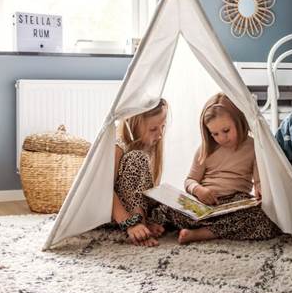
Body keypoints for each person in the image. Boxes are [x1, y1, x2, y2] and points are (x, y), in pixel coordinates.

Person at [166, 93, 281, 245]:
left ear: (239, 121)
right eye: (214, 134)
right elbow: (190, 180)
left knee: (265, 220)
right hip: (204, 203)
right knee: (163, 208)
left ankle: (202, 233)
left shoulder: (253, 147)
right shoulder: (205, 149)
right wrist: (198, 190)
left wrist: (260, 190)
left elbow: (259, 181)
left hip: (235, 202)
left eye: (226, 131)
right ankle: (166, 225)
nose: (221, 138)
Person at [112, 99, 168, 247]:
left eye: (163, 126)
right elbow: (104, 190)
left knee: (168, 204)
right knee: (137, 158)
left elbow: (143, 191)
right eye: (153, 129)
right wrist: (132, 224)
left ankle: (146, 222)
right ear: (133, 123)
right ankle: (140, 226)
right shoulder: (119, 146)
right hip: (119, 213)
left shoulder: (149, 147)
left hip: (137, 207)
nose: (160, 134)